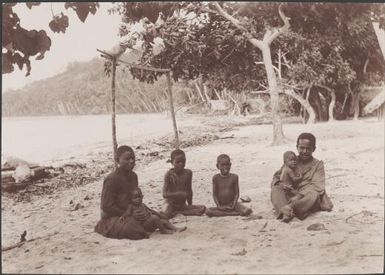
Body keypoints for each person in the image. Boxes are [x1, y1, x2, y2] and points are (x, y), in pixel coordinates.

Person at [271, 133, 333, 223]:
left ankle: (289, 209)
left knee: (314, 194)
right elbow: (276, 177)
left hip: (305, 199)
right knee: (276, 188)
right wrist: (281, 184)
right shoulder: (291, 160)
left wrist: (298, 196)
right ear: (297, 147)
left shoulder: (318, 164)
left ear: (314, 149)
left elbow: (318, 186)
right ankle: (286, 213)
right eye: (302, 148)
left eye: (308, 148)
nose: (304, 151)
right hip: (291, 193)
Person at [95, 145, 148, 240]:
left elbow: (135, 198)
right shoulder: (111, 179)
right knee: (133, 230)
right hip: (112, 218)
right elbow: (106, 206)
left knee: (153, 219)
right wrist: (127, 214)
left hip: (130, 212)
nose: (131, 161)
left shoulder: (133, 176)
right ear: (118, 160)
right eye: (127, 159)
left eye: (133, 158)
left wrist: (141, 211)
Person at [121, 187, 187, 234]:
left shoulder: (142, 205)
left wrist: (160, 215)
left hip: (150, 223)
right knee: (154, 218)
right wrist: (123, 217)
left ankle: (175, 229)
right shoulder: (131, 206)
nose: (138, 199)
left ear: (142, 197)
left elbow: (151, 211)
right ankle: (163, 231)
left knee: (164, 221)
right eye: (135, 198)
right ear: (131, 199)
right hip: (143, 226)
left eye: (139, 197)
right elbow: (127, 213)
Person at [162, 149, 206, 219]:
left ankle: (178, 213)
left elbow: (189, 190)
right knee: (166, 215)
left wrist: (190, 205)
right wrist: (179, 193)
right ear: (172, 163)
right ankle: (177, 212)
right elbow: (164, 194)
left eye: (183, 161)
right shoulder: (169, 175)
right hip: (171, 204)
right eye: (178, 162)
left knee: (203, 208)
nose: (181, 164)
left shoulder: (188, 173)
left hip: (182, 205)